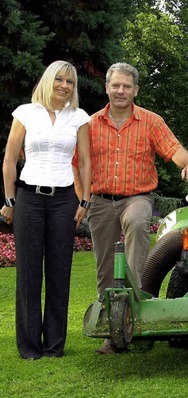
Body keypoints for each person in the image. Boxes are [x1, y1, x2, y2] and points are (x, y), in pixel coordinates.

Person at [87, 62, 188, 354]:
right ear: (107, 88)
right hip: (100, 201)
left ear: (135, 90)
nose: (121, 90)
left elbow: (174, 150)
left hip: (137, 197)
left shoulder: (151, 121)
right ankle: (112, 327)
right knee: (105, 267)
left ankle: (139, 317)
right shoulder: (90, 125)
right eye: (116, 85)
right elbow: (77, 163)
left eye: (127, 86)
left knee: (138, 223)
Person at [1, 60, 92, 359]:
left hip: (64, 200)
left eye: (70, 82)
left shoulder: (79, 117)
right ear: (48, 81)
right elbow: (10, 158)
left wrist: (85, 200)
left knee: (59, 273)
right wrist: (10, 200)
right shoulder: (26, 113)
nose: (65, 86)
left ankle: (54, 346)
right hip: (28, 199)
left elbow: (86, 162)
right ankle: (29, 347)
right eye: (60, 80)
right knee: (27, 273)